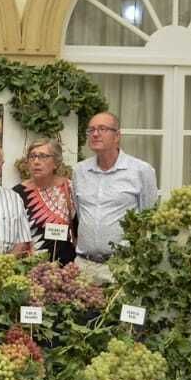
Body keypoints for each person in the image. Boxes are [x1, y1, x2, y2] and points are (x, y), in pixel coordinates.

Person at [73, 111, 159, 276]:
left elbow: (149, 219)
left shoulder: (141, 170)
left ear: (117, 136)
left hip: (123, 266)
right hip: (84, 266)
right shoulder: (79, 171)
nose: (95, 134)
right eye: (91, 130)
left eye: (102, 129)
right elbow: (80, 213)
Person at [15, 137, 76, 264]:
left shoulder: (70, 189)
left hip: (67, 269)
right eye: (32, 156)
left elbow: (80, 228)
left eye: (43, 156)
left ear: (56, 162)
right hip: (30, 268)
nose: (36, 161)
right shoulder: (17, 194)